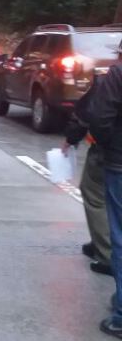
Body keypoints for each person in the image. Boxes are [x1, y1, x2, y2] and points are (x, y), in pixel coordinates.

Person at [76, 43, 122, 340]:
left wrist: (105, 149)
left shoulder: (117, 76)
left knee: (120, 235)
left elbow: (100, 118)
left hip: (118, 164)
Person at [64, 90, 113, 276]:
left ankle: (107, 253)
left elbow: (87, 114)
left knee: (94, 195)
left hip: (109, 152)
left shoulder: (110, 80)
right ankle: (102, 239)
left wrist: (71, 138)